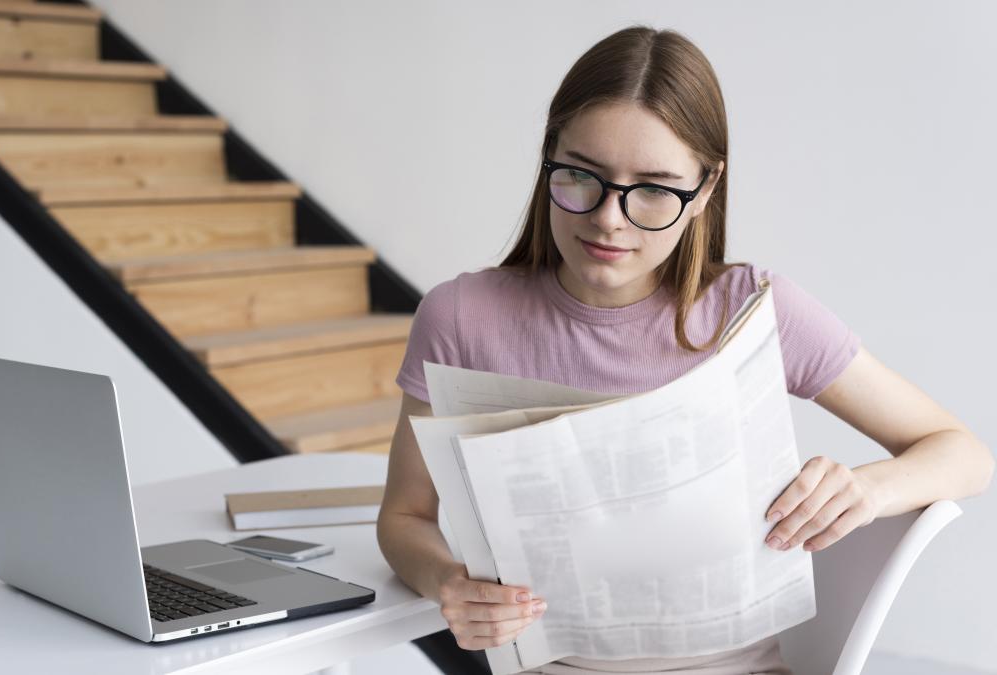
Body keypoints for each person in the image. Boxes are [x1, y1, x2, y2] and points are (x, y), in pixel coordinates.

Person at [375, 24, 994, 675]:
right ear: (548, 156)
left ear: (704, 190)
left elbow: (966, 455)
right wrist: (448, 581)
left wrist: (865, 490)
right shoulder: (461, 318)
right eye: (581, 175)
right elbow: (405, 517)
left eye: (653, 189)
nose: (608, 217)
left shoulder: (754, 311)